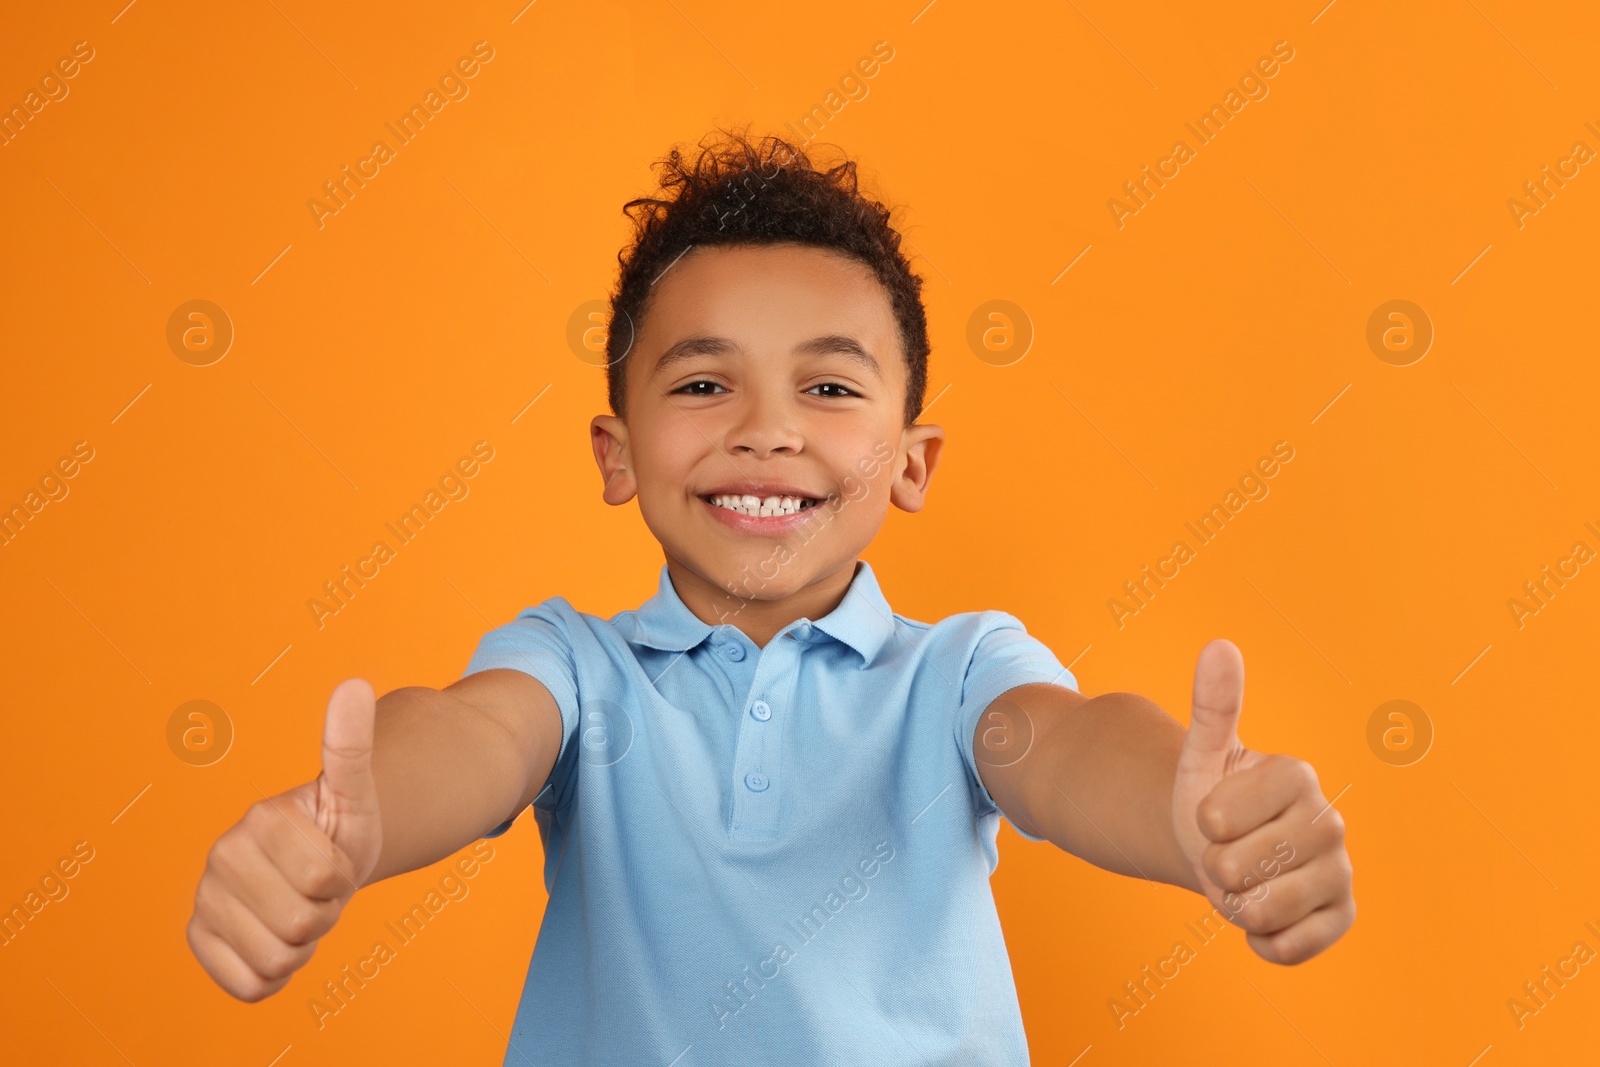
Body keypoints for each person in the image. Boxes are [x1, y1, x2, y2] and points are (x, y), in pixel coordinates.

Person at [186, 128, 1355, 1064]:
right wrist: (360, 816)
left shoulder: (955, 677)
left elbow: (1063, 745)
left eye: (830, 385)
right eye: (702, 381)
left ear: (911, 462)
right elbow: (473, 728)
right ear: (617, 452)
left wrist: (1191, 813)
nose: (767, 429)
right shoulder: (575, 672)